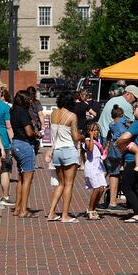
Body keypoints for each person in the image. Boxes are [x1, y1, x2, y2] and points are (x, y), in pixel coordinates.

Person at [45, 93, 83, 223]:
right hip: (68, 150)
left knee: (60, 184)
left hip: (56, 151)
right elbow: (75, 136)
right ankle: (65, 215)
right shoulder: (72, 116)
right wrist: (83, 136)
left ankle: (51, 212)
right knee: (69, 184)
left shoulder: (53, 114)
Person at [10, 90, 38, 218]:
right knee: (28, 179)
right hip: (24, 145)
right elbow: (28, 132)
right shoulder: (23, 112)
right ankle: (23, 210)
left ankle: (17, 208)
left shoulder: (13, 111)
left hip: (15, 143)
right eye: (29, 99)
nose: (31, 100)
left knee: (21, 178)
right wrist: (37, 133)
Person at [83, 121, 108, 220]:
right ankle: (90, 209)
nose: (96, 132)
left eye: (97, 130)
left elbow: (100, 154)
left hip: (99, 166)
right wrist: (91, 136)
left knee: (101, 189)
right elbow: (90, 148)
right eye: (93, 130)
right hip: (91, 166)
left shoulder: (98, 141)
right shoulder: (88, 140)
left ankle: (94, 208)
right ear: (89, 131)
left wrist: (106, 147)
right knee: (96, 188)